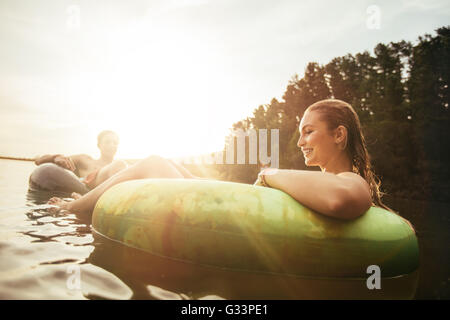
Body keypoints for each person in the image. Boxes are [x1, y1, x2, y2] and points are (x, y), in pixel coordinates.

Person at [48, 99, 389, 219]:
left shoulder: (350, 182)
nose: (300, 141)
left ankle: (73, 210)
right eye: (300, 132)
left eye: (309, 132)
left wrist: (270, 174)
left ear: (339, 135)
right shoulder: (317, 179)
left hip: (233, 210)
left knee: (153, 162)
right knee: (163, 162)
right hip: (238, 201)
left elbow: (343, 198)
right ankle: (85, 201)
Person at [36, 130, 127, 192]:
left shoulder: (120, 168)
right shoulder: (84, 160)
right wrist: (55, 157)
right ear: (99, 145)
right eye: (107, 142)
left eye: (115, 143)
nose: (112, 145)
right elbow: (38, 161)